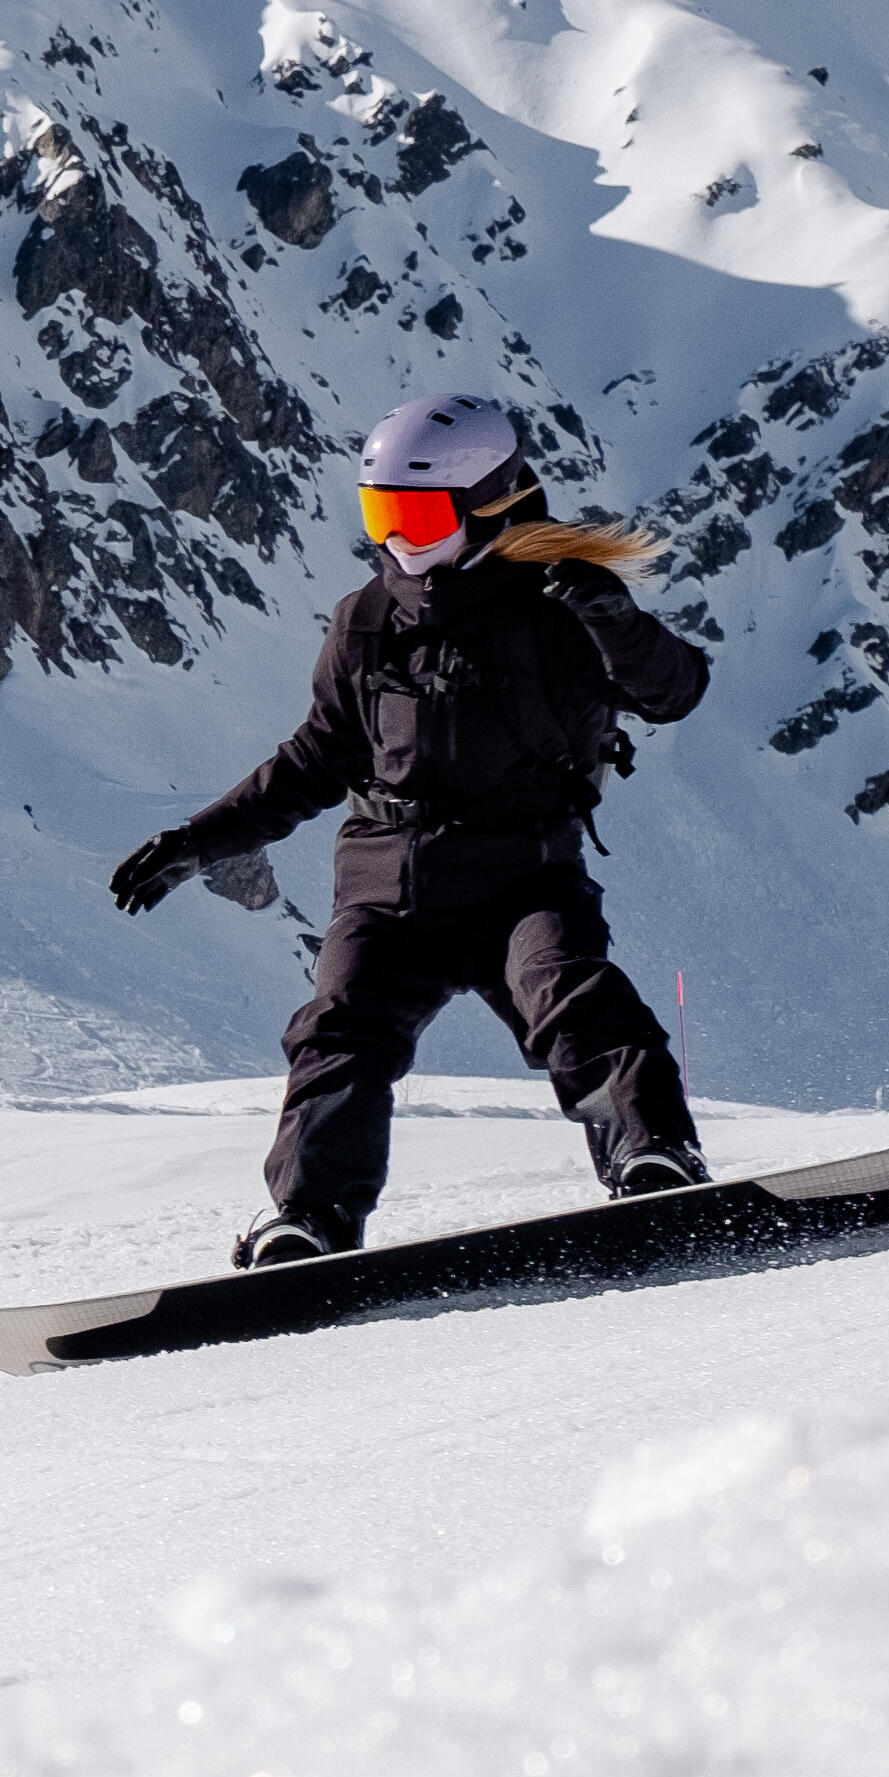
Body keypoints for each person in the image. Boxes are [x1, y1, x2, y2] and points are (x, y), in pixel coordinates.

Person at [102, 391, 711, 1268]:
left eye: (417, 514)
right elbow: (315, 758)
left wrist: (618, 626)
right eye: (379, 512)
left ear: (488, 503)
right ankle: (309, 1222)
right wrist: (200, 841)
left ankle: (654, 1159)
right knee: (337, 1030)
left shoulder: (561, 605)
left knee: (570, 994)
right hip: (389, 888)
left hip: (523, 878)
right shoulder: (367, 621)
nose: (395, 537)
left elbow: (675, 692)